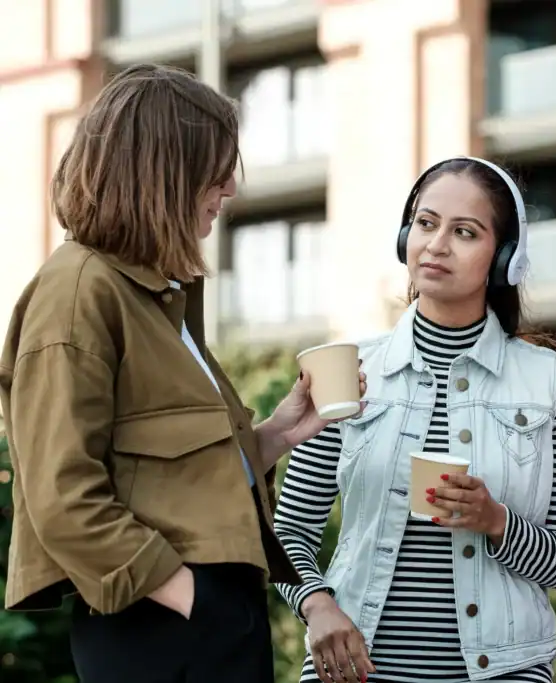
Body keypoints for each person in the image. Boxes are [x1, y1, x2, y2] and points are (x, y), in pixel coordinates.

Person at [0, 64, 365, 683]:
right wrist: (189, 596)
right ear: (165, 170)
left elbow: (172, 474)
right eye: (217, 168)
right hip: (160, 624)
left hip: (204, 616)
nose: (229, 189)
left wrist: (278, 433)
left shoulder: (156, 298)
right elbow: (60, 495)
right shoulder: (79, 290)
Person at [273, 156, 556, 683]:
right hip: (354, 671)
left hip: (503, 672)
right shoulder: (345, 370)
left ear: (503, 258)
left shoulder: (553, 385)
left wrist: (496, 521)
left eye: (464, 232)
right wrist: (317, 606)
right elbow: (290, 533)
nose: (437, 244)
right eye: (425, 224)